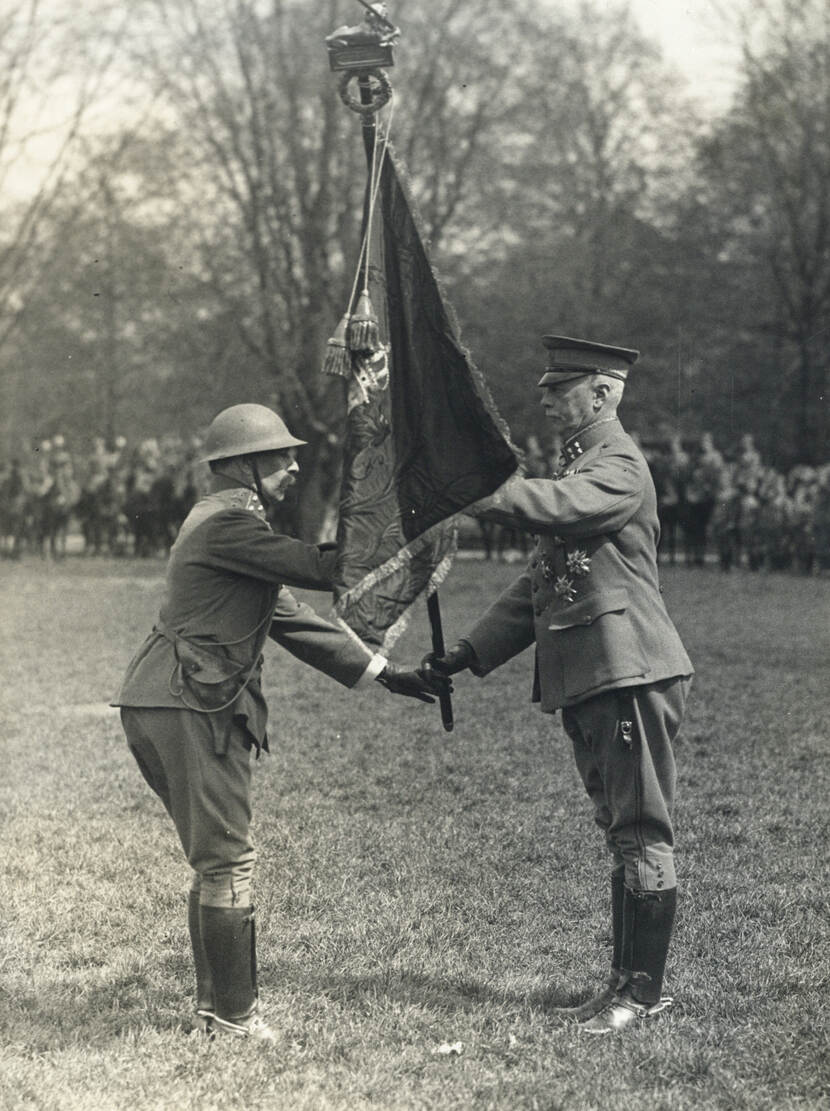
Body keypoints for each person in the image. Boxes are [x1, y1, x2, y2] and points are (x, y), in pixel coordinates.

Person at [113, 403, 446, 1043]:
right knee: (228, 859)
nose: (294, 468)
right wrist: (405, 530)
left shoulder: (226, 523)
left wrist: (383, 672)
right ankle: (235, 1017)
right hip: (192, 701)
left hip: (171, 698)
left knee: (216, 860)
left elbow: (291, 617)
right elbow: (318, 568)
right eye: (279, 457)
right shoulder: (229, 524)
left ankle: (218, 1010)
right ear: (242, 466)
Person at [423, 335, 693, 1034]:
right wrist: (472, 652)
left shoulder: (618, 466)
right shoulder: (585, 466)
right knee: (623, 831)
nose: (544, 398)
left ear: (602, 393)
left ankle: (641, 993)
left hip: (628, 668)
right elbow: (539, 585)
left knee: (639, 829)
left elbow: (552, 509)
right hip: (598, 673)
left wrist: (470, 487)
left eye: (560, 387)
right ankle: (623, 988)